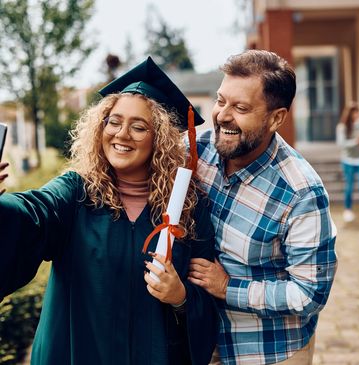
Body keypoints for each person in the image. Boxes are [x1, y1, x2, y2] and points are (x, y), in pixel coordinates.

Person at [0, 57, 218, 365]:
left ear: (162, 139)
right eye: (113, 122)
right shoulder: (76, 193)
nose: (121, 134)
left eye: (139, 126)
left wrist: (180, 297)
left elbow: (207, 300)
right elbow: (31, 213)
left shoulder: (188, 208)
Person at [188, 49, 338, 365]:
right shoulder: (197, 151)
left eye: (240, 107)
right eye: (220, 100)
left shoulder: (302, 193)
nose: (223, 115)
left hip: (268, 351)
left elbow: (309, 294)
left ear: (276, 118)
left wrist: (229, 288)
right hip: (202, 343)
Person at [336, 101, 359, 223]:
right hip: (348, 161)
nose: (356, 115)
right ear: (349, 114)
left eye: (357, 112)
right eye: (354, 113)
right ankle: (348, 210)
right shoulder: (342, 127)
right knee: (349, 187)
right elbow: (341, 144)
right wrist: (356, 142)